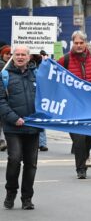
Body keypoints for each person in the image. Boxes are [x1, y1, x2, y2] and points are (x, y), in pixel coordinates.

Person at [58, 30, 91, 179]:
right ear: (73, 43)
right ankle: (81, 168)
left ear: (86, 43)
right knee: (78, 138)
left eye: (81, 43)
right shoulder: (65, 59)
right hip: (73, 106)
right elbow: (54, 75)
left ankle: (83, 159)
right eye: (76, 43)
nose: (78, 46)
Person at [0, 45, 42, 210]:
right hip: (13, 127)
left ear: (29, 57)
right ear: (12, 56)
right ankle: (11, 192)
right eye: (16, 54)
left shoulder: (38, 74)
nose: (19, 57)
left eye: (23, 54)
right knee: (15, 159)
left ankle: (27, 198)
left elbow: (47, 96)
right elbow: (1, 101)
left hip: (33, 127)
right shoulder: (4, 75)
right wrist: (14, 118)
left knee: (31, 164)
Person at [0, 44, 11, 152]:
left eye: (10, 54)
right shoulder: (4, 66)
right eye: (7, 54)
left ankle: (3, 140)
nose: (8, 56)